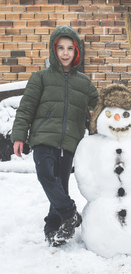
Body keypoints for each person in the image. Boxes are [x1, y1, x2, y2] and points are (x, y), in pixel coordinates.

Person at [11, 25, 98, 247]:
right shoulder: (40, 78)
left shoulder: (84, 83)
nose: (66, 53)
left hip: (70, 142)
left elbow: (101, 109)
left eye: (70, 48)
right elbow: (26, 108)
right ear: (53, 50)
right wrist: (19, 135)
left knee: (60, 185)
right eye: (61, 48)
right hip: (43, 139)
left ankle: (54, 228)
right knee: (46, 175)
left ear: (77, 51)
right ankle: (70, 214)